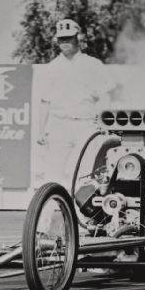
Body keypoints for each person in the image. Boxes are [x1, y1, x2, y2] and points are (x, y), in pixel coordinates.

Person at [36, 19, 120, 185]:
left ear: (78, 37)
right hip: (59, 124)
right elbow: (44, 101)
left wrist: (103, 121)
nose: (65, 42)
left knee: (86, 172)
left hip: (86, 124)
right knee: (53, 173)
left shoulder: (93, 64)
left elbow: (106, 95)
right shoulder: (51, 67)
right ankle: (50, 209)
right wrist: (41, 130)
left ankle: (82, 211)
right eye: (61, 39)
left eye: (69, 37)